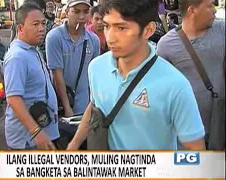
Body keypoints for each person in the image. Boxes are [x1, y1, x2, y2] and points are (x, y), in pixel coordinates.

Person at [67, 0, 206, 150]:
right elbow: (95, 106)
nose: (111, 37)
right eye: (107, 26)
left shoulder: (176, 85)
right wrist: (73, 146)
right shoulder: (96, 67)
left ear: (148, 30)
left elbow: (196, 150)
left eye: (121, 28)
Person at [157, 0, 225, 149]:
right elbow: (162, 92)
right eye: (209, 6)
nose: (214, 10)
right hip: (188, 135)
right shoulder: (166, 45)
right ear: (192, 10)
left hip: (221, 125)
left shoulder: (222, 30)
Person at [3, 3, 59, 150]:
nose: (41, 28)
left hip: (40, 133)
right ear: (20, 28)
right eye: (35, 24)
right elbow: (14, 99)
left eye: (43, 23)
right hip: (27, 141)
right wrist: (36, 132)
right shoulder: (17, 57)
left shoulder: (32, 50)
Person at [46, 0, 100, 117]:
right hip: (60, 104)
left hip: (85, 104)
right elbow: (57, 74)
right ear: (66, 12)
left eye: (86, 12)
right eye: (76, 11)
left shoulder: (93, 40)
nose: (81, 16)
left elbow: (96, 75)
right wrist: (66, 106)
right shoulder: (54, 37)